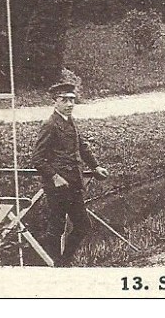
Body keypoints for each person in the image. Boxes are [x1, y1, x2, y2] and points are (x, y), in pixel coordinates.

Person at [32, 80, 109, 267]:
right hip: (57, 186)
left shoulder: (70, 121)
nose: (69, 104)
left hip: (74, 184)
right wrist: (54, 177)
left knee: (83, 226)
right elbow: (37, 158)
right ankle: (55, 264)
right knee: (56, 227)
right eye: (64, 100)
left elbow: (81, 146)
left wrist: (95, 166)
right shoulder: (50, 125)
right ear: (55, 102)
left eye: (72, 100)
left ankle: (63, 262)